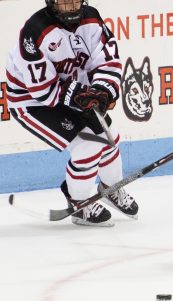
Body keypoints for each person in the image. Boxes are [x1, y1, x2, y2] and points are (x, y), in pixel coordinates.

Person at [6, 0, 138, 227]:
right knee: (87, 147)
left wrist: (102, 91)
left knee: (109, 137)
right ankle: (79, 203)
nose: (72, 7)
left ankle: (110, 188)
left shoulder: (92, 19)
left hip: (75, 92)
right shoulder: (34, 32)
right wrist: (79, 96)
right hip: (32, 102)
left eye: (75, 0)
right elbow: (42, 91)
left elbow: (107, 62)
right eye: (65, 2)